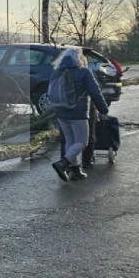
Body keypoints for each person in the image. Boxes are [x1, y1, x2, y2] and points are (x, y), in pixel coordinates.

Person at [50, 48, 109, 182]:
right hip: (78, 113)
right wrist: (103, 110)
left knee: (70, 141)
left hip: (61, 112)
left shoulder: (57, 71)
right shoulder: (84, 72)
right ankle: (63, 164)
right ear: (79, 58)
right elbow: (95, 93)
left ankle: (75, 170)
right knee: (82, 142)